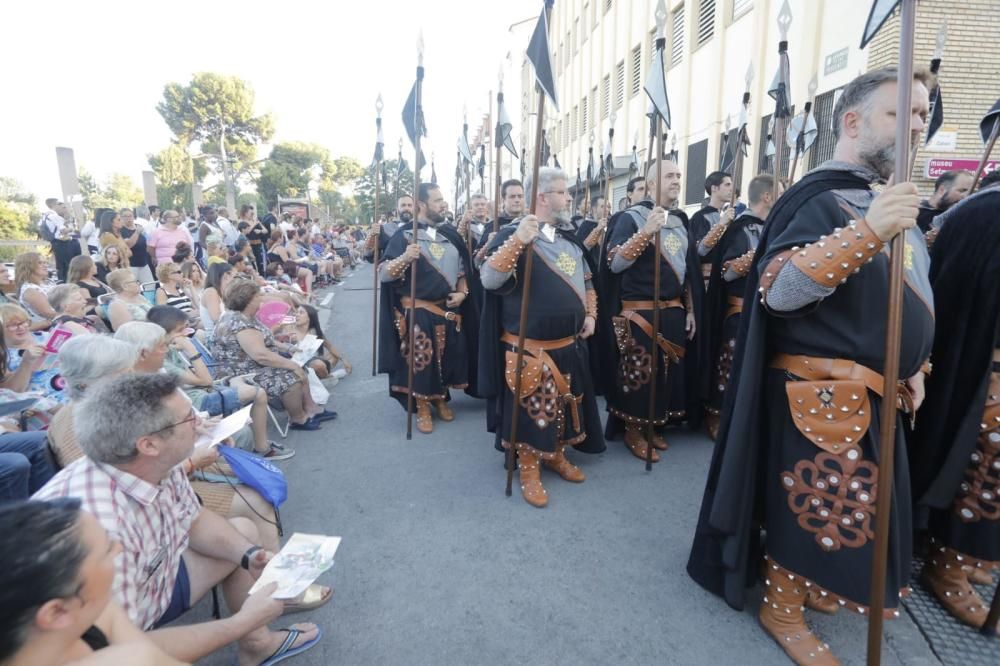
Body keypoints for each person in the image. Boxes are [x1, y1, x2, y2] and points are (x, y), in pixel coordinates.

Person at [687, 66, 933, 665]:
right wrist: (869, 232)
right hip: (820, 395)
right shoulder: (819, 198)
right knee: (819, 506)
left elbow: (898, 293)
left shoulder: (881, 197)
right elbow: (782, 291)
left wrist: (913, 364)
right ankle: (782, 605)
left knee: (851, 506)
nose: (919, 127)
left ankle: (811, 585)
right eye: (903, 113)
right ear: (853, 122)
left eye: (925, 115)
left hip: (875, 390)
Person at [33, 373, 324, 665]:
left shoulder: (149, 463)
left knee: (242, 532)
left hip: (151, 583)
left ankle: (257, 646)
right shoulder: (98, 530)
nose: (200, 423)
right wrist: (241, 622)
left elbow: (193, 519)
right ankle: (250, 634)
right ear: (148, 444)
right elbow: (116, 653)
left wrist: (250, 556)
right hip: (112, 636)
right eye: (189, 419)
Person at [479, 166, 605, 507]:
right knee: (534, 411)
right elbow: (490, 279)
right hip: (530, 348)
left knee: (563, 407)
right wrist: (519, 238)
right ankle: (529, 468)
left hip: (569, 343)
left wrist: (591, 313)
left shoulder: (569, 238)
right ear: (543, 197)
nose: (569, 198)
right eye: (564, 192)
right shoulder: (513, 235)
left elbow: (588, 282)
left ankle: (556, 454)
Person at [909, 184, 1000, 631]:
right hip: (981, 369)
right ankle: (948, 561)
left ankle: (971, 554)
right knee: (979, 467)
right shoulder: (986, 213)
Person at [0, 498, 186, 665]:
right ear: (56, 612)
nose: (119, 548)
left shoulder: (85, 614)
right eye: (107, 550)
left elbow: (114, 619)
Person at [599, 159, 700, 462]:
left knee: (666, 376)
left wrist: (691, 310)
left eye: (679, 175)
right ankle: (633, 428)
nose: (677, 180)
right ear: (652, 183)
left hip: (673, 310)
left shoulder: (680, 221)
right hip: (640, 313)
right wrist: (646, 232)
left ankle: (654, 425)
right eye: (670, 175)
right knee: (640, 375)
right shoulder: (628, 219)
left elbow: (687, 274)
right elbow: (615, 263)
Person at [377, 182, 479, 434]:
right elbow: (385, 275)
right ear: (422, 205)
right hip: (417, 310)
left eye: (443, 199)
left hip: (447, 309)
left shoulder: (450, 236)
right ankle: (422, 405)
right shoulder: (404, 236)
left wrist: (462, 292)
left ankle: (440, 398)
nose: (443, 204)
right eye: (437, 200)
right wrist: (404, 258)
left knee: (446, 358)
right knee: (420, 361)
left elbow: (463, 272)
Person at [700, 174, 779, 439]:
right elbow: (728, 271)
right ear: (767, 196)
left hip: (766, 309)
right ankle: (716, 413)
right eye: (780, 191)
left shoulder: (775, 227)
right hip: (738, 309)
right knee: (729, 364)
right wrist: (757, 253)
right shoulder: (740, 227)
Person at [212, 280, 330, 430]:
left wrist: (287, 347)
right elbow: (261, 355)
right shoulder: (240, 323)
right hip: (239, 372)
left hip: (250, 365)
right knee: (291, 375)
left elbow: (266, 340)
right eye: (259, 296)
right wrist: (291, 365)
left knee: (299, 366)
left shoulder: (246, 317)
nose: (262, 298)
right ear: (249, 300)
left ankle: (311, 408)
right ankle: (298, 419)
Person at [0, 304, 67, 406]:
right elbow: (13, 392)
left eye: (25, 322)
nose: (21, 327)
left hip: (75, 387)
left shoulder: (46, 336)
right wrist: (26, 362)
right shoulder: (4, 355)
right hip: (47, 403)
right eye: (13, 325)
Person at [689, 171, 736, 290]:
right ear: (714, 188)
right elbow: (701, 251)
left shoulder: (724, 216)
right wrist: (721, 225)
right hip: (706, 282)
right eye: (727, 185)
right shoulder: (700, 217)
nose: (732, 189)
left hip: (723, 279)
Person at [38, 198, 82, 283]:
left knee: (63, 267)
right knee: (68, 266)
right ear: (54, 205)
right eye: (60, 204)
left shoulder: (46, 217)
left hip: (59, 243)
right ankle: (70, 283)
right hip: (64, 243)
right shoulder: (54, 216)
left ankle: (65, 283)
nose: (63, 206)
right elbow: (63, 230)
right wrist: (72, 228)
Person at [364, 195, 412, 264]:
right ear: (397, 208)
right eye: (403, 205)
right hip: (392, 272)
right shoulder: (385, 229)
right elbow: (369, 255)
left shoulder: (421, 229)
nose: (406, 208)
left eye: (409, 205)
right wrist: (372, 236)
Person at [14, 251, 55, 330]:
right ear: (28, 266)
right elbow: (49, 313)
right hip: (49, 328)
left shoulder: (49, 282)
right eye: (40, 263)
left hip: (63, 319)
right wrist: (71, 314)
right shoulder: (30, 290)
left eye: (45, 262)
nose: (45, 265)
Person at [68, 254, 111, 321]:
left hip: (107, 308)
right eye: (94, 264)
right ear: (88, 268)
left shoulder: (95, 279)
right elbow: (88, 305)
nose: (96, 266)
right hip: (98, 314)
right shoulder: (80, 286)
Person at [119, 208, 154, 283]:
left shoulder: (139, 226)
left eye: (130, 216)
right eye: (125, 216)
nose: (129, 218)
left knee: (150, 285)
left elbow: (147, 240)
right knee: (131, 285)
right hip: (131, 264)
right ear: (121, 218)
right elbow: (128, 245)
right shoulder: (121, 230)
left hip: (144, 262)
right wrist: (137, 232)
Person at [200, 262, 234, 338]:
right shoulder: (211, 292)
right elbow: (217, 319)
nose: (235, 280)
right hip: (216, 339)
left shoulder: (223, 292)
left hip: (225, 335)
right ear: (226, 276)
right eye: (234, 277)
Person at [240, 204, 270, 273]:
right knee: (253, 262)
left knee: (261, 262)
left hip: (259, 244)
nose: (252, 215)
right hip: (250, 245)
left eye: (253, 213)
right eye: (251, 213)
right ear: (245, 213)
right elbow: (247, 231)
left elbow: (266, 231)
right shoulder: (242, 222)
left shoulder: (255, 221)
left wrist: (260, 231)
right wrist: (254, 224)